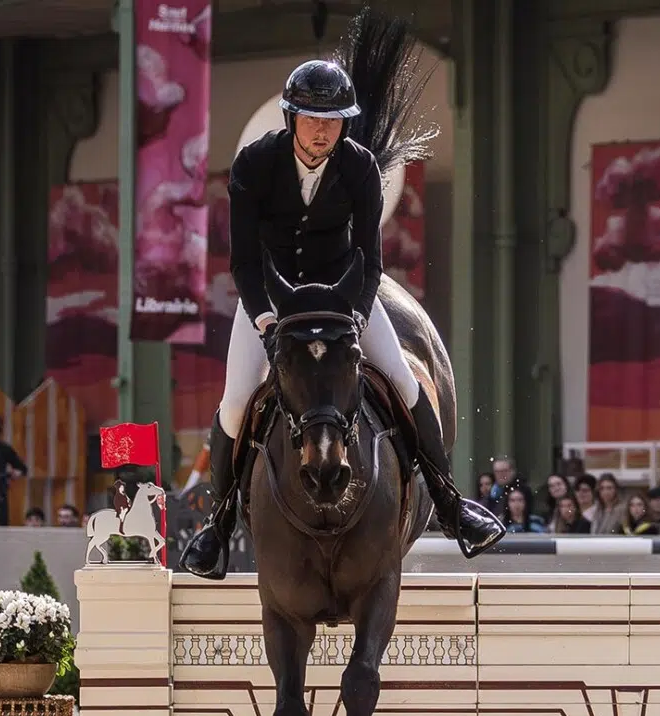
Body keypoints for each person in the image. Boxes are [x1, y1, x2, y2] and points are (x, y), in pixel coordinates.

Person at [183, 56, 504, 578]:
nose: (320, 132)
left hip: (342, 298)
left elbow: (371, 261)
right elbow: (243, 261)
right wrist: (265, 320)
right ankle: (217, 526)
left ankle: (450, 504)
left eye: (331, 122)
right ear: (290, 119)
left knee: (401, 378)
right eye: (311, 121)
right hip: (271, 300)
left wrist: (353, 317)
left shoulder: (358, 166)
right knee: (238, 401)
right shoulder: (253, 166)